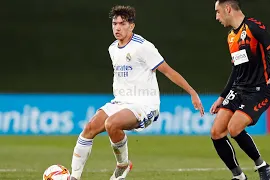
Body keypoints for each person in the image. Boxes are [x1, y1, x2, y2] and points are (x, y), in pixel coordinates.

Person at [69, 5, 204, 180]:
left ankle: (122, 165)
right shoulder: (112, 49)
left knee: (112, 124)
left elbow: (168, 71)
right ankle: (74, 177)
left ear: (131, 26)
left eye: (122, 23)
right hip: (120, 102)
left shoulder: (143, 47)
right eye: (114, 23)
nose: (117, 27)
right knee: (88, 129)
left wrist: (192, 92)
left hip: (144, 105)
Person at [209, 0, 270, 180]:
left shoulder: (253, 27)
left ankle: (262, 166)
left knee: (234, 128)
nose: (217, 17)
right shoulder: (230, 37)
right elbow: (237, 70)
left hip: (259, 90)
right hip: (238, 89)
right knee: (216, 132)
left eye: (218, 12)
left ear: (228, 9)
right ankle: (239, 177)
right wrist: (222, 97)